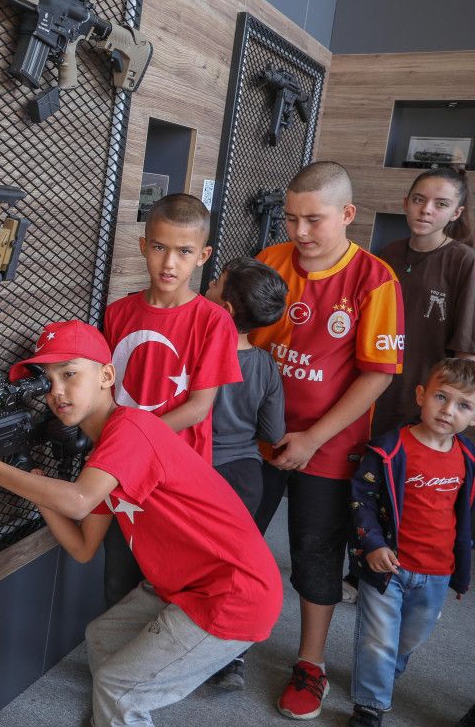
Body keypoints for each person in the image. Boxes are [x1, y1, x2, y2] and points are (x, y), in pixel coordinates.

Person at [0, 319, 282, 727]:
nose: (57, 391)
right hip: (188, 585)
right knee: (101, 638)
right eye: (48, 381)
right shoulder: (104, 454)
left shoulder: (130, 430)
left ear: (107, 375)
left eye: (70, 373)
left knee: (118, 686)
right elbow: (82, 548)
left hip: (232, 594)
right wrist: (39, 490)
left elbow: (78, 502)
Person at [248, 161, 404, 720]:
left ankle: (310, 667)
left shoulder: (375, 279)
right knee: (236, 539)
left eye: (314, 220)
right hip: (256, 440)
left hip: (329, 448)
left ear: (348, 214)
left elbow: (378, 374)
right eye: (292, 219)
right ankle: (224, 640)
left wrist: (313, 438)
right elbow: (246, 340)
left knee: (316, 557)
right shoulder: (270, 261)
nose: (300, 232)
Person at [100, 192, 241, 607]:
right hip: (121, 471)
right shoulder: (118, 313)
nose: (169, 263)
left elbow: (199, 406)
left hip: (177, 472)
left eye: (184, 251)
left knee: (170, 580)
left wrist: (133, 441)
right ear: (143, 245)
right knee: (117, 574)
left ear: (203, 256)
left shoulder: (214, 322)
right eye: (159, 247)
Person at [347, 358, 475, 727]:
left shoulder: (467, 459)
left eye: (462, 405)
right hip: (388, 566)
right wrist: (371, 543)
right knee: (378, 639)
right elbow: (362, 498)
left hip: (436, 571)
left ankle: (384, 673)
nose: (448, 411)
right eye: (441, 397)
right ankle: (370, 706)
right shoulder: (390, 450)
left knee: (409, 640)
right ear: (421, 396)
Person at [202, 255, 288, 690]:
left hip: (201, 472)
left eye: (216, 282)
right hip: (246, 478)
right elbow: (273, 431)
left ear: (228, 308)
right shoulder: (266, 365)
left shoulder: (199, 353)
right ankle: (231, 657)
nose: (210, 284)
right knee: (233, 569)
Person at [371, 166, 475, 437]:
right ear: (406, 203)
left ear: (456, 213)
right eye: (419, 199)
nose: (426, 209)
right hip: (376, 387)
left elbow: (466, 355)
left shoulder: (464, 261)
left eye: (440, 204)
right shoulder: (388, 252)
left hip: (426, 401)